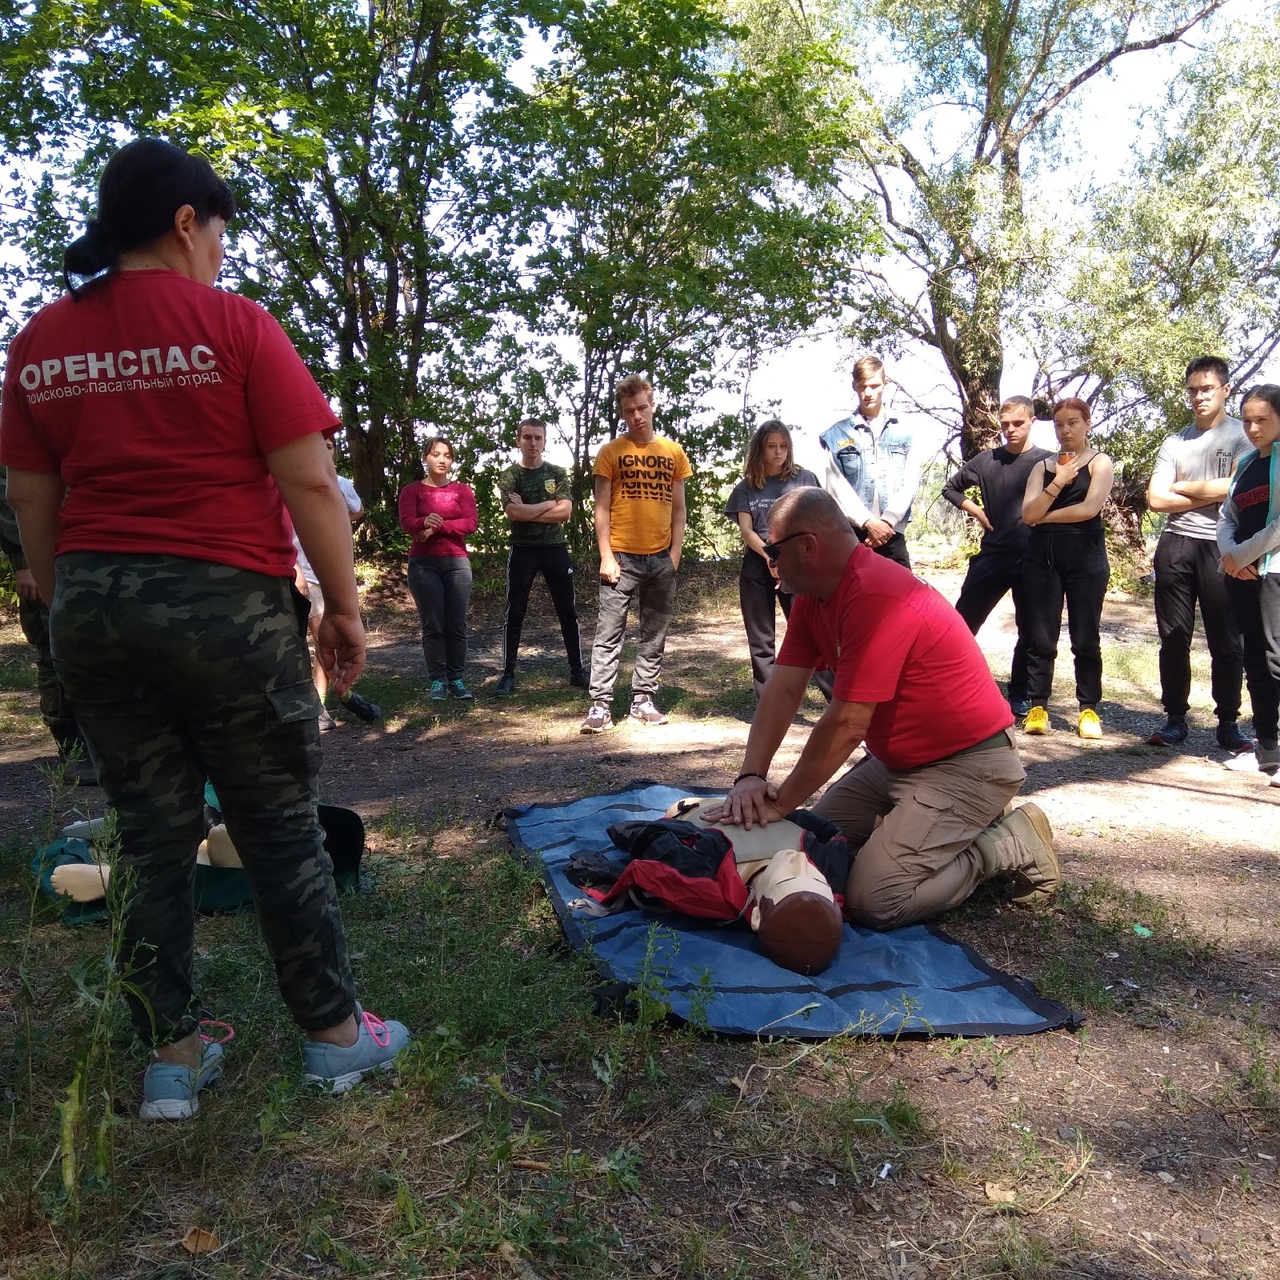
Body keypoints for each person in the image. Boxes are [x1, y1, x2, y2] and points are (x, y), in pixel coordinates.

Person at [0, 137, 409, 1120]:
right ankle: (334, 1034)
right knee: (276, 826)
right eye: (219, 233)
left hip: (94, 605)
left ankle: (173, 1062)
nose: (222, 254)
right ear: (186, 223)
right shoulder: (235, 326)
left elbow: (31, 497)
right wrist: (344, 612)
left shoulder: (41, 340)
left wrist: (73, 611)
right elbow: (309, 477)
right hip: (227, 605)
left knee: (151, 838)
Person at [703, 487, 1059, 929]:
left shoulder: (876, 594)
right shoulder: (816, 597)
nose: (768, 561)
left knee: (874, 899)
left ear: (808, 547)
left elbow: (849, 724)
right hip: (897, 764)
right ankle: (944, 826)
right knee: (814, 843)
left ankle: (1006, 844)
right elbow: (783, 690)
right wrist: (751, 775)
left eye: (773, 550)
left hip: (967, 764)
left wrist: (781, 804)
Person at [1146, 356, 1252, 752]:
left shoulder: (1243, 437)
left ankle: (1228, 724)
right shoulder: (1175, 441)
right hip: (1175, 546)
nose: (1198, 396)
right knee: (1173, 637)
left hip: (1222, 546)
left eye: (1206, 388)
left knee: (1227, 640)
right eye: (1192, 389)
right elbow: (1156, 499)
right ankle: (1175, 719)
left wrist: (1185, 486)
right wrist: (1209, 489)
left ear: (1225, 390)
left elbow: (1236, 489)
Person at [580, 376, 692, 734]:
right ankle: (600, 705)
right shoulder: (610, 453)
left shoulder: (673, 453)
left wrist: (674, 553)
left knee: (654, 633)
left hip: (660, 557)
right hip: (621, 558)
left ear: (653, 406)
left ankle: (643, 700)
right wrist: (606, 555)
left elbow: (678, 510)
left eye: (642, 408)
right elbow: (601, 508)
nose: (637, 416)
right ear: (623, 414)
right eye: (629, 411)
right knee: (609, 633)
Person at [942, 396, 1053, 716]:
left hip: (1034, 556)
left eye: (1017, 423)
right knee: (960, 623)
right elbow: (951, 488)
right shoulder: (985, 461)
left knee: (1030, 630)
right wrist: (976, 511)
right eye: (1005, 424)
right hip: (993, 555)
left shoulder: (1047, 461)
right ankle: (948, 685)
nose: (1010, 430)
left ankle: (1018, 694)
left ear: (1031, 421)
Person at [1019, 398, 1115, 739]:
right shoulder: (1042, 467)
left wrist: (1045, 516)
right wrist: (1058, 481)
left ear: (1087, 423)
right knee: (1041, 638)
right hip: (1042, 558)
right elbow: (1027, 515)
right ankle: (1037, 706)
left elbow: (1089, 509)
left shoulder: (1099, 462)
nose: (1066, 430)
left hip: (1085, 557)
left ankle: (1088, 709)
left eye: (1073, 423)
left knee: (1085, 637)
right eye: (1059, 424)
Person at [0, 463, 95, 783]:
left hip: (82, 551)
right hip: (41, 554)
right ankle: (73, 747)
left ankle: (94, 745)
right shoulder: (25, 423)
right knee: (53, 651)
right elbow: (12, 495)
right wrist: (22, 563)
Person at [723, 420, 829, 700]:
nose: (778, 452)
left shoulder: (804, 479)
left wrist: (790, 559)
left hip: (799, 564)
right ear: (760, 449)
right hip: (759, 563)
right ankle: (770, 704)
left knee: (813, 633)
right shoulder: (746, 487)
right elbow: (747, 530)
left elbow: (817, 521)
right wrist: (771, 557)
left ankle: (837, 699)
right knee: (761, 640)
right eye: (771, 446)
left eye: (783, 446)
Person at [495, 417, 587, 695]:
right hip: (522, 550)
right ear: (518, 440)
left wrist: (531, 509)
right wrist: (549, 504)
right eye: (528, 437)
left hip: (555, 548)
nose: (533, 443)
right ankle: (508, 673)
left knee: (567, 611)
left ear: (545, 441)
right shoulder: (510, 475)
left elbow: (566, 512)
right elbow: (513, 513)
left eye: (538, 438)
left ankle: (577, 670)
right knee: (516, 612)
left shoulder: (557, 473)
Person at [293, 436, 380, 728]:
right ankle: (332, 700)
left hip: (326, 576)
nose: (324, 450)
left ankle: (322, 704)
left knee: (322, 642)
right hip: (296, 571)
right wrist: (294, 568)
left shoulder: (341, 484)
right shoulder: (289, 479)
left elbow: (357, 510)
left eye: (330, 446)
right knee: (308, 640)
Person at [1217, 384, 1280, 787]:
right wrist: (1230, 555)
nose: (1253, 428)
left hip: (1273, 572)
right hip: (1242, 572)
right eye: (1248, 420)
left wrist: (1242, 556)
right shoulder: (1244, 463)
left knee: (1276, 660)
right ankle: (1266, 751)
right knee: (1254, 660)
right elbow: (1227, 515)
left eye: (1263, 419)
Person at [816, 355, 921, 569]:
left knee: (902, 600)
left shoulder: (905, 432)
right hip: (852, 535)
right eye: (862, 386)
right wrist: (867, 521)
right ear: (854, 386)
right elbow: (834, 485)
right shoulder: (836, 434)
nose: (868, 393)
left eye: (874, 386)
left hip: (893, 534)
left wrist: (887, 522)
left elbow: (911, 482)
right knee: (852, 600)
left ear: (885, 384)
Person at [398, 437, 477, 701]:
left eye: (447, 455)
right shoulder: (412, 491)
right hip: (423, 564)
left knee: (457, 623)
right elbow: (407, 522)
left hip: (456, 562)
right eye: (436, 454)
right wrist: (423, 521)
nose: (442, 460)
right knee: (433, 624)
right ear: (426, 458)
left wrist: (437, 527)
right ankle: (437, 681)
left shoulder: (462, 491)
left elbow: (470, 523)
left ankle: (456, 678)